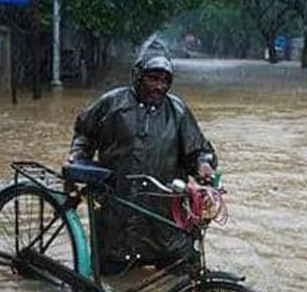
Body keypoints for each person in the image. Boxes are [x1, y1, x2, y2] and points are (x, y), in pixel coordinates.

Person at [66, 55, 216, 274]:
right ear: (137, 77)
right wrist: (77, 158)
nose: (159, 86)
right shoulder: (112, 103)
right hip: (118, 210)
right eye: (152, 79)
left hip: (164, 215)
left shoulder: (178, 111)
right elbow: (84, 134)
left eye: (165, 81)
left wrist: (203, 164)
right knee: (111, 281)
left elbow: (199, 150)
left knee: (181, 275)